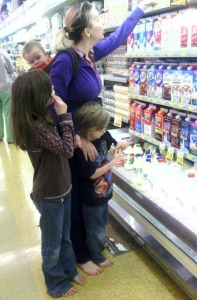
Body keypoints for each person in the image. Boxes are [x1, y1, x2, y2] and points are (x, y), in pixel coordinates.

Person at [49, 0, 157, 275]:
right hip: (73, 140)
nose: (103, 22)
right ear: (87, 30)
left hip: (90, 133)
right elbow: (51, 105)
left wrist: (141, 8)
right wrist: (77, 138)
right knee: (76, 199)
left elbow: (120, 37)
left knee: (91, 191)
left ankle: (90, 244)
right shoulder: (65, 60)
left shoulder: (90, 54)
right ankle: (81, 255)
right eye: (98, 18)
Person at [10, 70, 85, 298]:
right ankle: (56, 284)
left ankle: (69, 269)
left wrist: (70, 137)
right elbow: (66, 151)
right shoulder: (37, 127)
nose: (54, 91)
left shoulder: (41, 118)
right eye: (50, 89)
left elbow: (63, 147)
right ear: (39, 96)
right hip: (50, 193)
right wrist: (65, 117)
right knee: (52, 245)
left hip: (62, 187)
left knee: (64, 236)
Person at [73, 102, 127, 267]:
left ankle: (97, 242)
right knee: (94, 226)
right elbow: (91, 174)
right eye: (100, 128)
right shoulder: (82, 150)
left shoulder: (103, 136)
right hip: (91, 196)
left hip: (104, 192)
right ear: (87, 128)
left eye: (105, 127)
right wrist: (113, 162)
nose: (104, 130)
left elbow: (112, 141)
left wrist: (120, 145)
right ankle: (96, 256)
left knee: (102, 222)